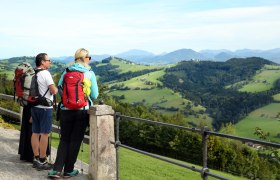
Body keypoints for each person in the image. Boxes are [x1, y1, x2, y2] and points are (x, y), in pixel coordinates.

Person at [48, 48, 99, 178]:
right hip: (82, 111)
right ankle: (69, 170)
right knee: (76, 140)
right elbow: (95, 94)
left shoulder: (67, 71)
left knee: (64, 139)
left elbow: (59, 88)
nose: (90, 59)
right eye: (89, 57)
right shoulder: (89, 73)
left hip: (65, 110)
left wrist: (68, 100)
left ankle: (57, 170)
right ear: (84, 58)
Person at [31, 53, 58, 170]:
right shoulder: (45, 73)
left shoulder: (33, 72)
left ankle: (36, 158)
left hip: (34, 106)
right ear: (42, 62)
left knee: (35, 133)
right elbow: (54, 91)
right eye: (48, 60)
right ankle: (43, 160)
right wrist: (57, 88)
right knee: (45, 134)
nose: (50, 62)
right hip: (45, 108)